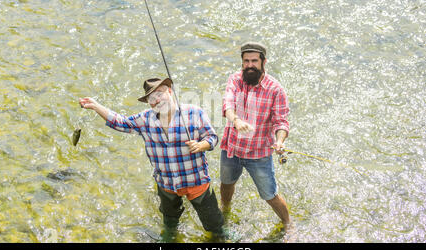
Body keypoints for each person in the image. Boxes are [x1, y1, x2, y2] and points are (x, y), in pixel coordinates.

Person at [79, 77, 224, 238]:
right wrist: (95, 106)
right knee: (170, 220)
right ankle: (170, 237)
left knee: (214, 224)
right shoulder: (145, 119)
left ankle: (222, 237)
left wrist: (201, 145)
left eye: (160, 94)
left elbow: (212, 138)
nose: (156, 100)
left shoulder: (193, 112)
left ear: (170, 91)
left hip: (196, 181)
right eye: (151, 98)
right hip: (166, 183)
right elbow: (120, 122)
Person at [220, 42, 292, 231]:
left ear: (263, 62)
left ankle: (288, 224)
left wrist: (279, 141)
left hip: (259, 154)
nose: (250, 65)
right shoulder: (235, 80)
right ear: (242, 62)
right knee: (226, 184)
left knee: (270, 194)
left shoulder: (275, 89)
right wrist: (236, 120)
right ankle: (225, 210)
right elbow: (227, 105)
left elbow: (281, 122)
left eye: (254, 61)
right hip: (232, 149)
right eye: (246, 61)